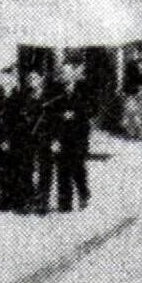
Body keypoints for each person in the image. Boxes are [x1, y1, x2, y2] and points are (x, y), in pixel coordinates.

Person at [50, 62, 92, 213]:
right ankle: (64, 203)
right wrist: (54, 137)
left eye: (69, 73)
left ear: (74, 74)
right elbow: (51, 114)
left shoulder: (83, 89)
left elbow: (90, 110)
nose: (66, 76)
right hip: (62, 135)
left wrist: (76, 114)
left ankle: (83, 193)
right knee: (62, 169)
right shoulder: (56, 92)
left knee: (77, 167)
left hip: (78, 135)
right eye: (64, 73)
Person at [8, 67, 50, 213]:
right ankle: (28, 199)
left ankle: (42, 202)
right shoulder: (24, 96)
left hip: (44, 138)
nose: (33, 81)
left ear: (41, 79)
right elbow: (18, 116)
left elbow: (55, 119)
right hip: (28, 138)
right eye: (30, 79)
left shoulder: (49, 96)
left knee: (44, 170)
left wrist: (54, 137)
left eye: (35, 78)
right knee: (27, 169)